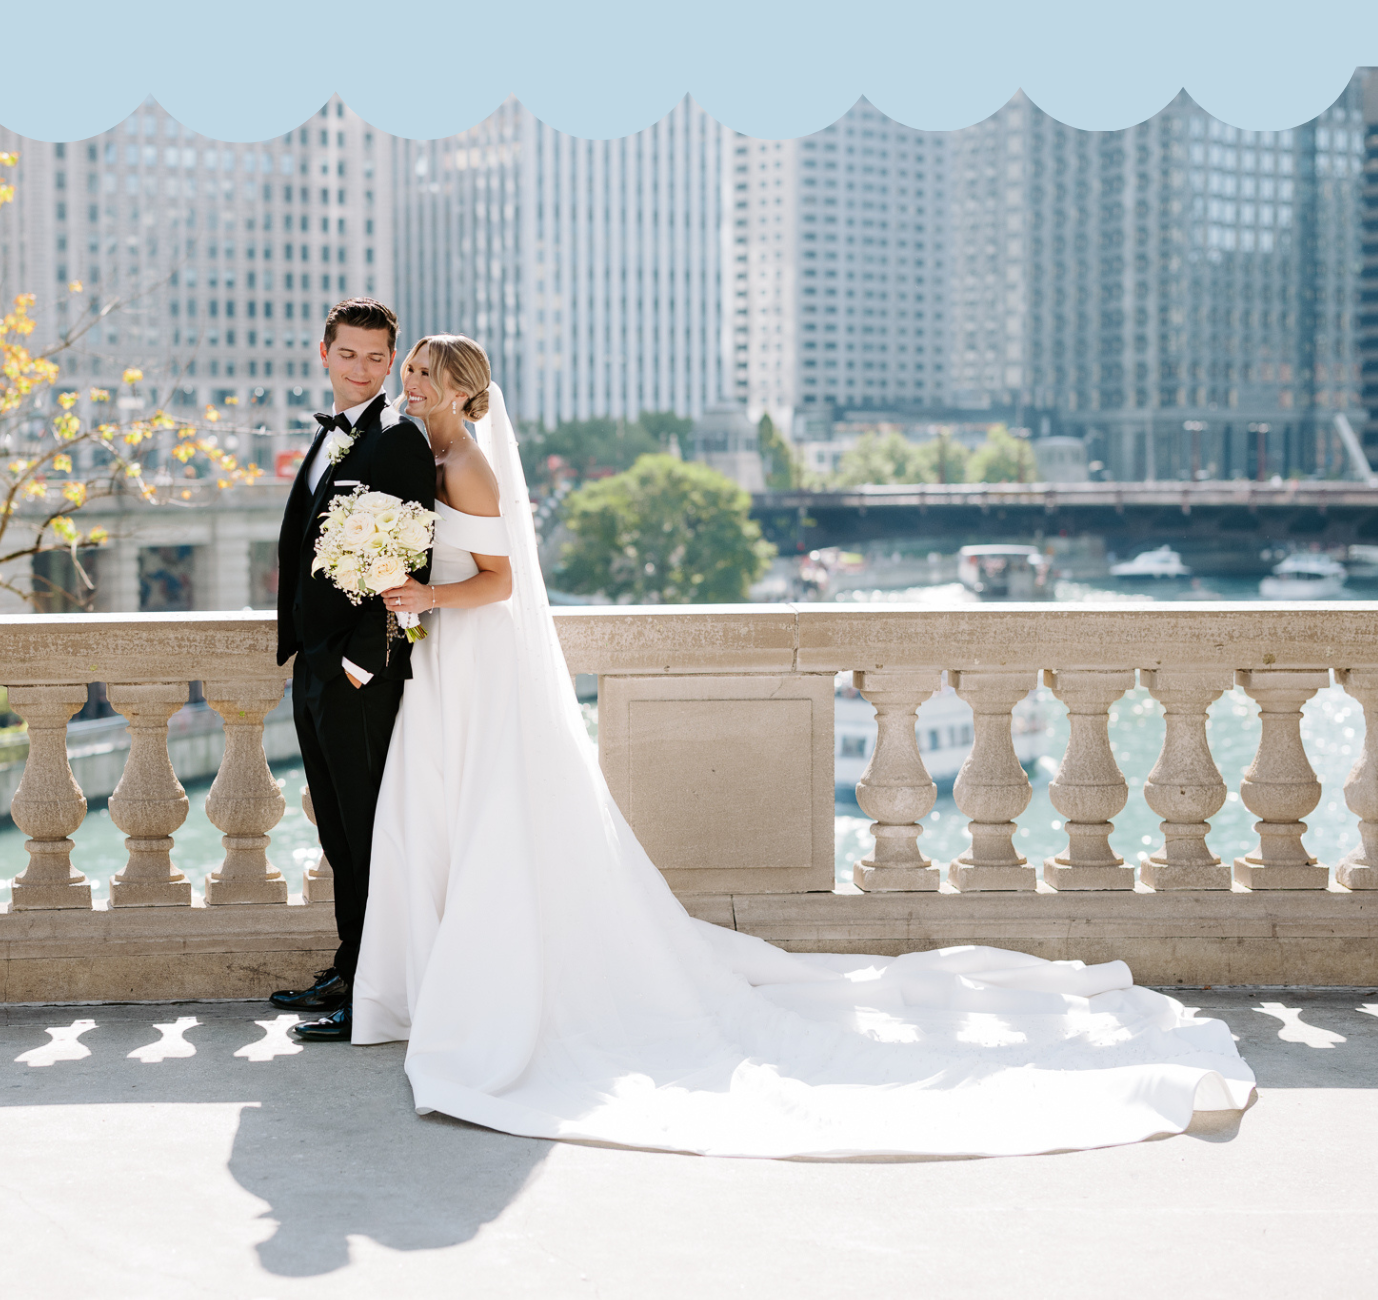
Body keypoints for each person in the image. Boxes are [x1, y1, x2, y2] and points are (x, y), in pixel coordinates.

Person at [338, 334, 1255, 1158]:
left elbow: (497, 585)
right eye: (408, 370)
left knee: (489, 811)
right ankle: (429, 984)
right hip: (445, 665)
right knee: (437, 807)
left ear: (462, 388)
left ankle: (484, 997)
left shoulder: (472, 472)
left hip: (477, 658)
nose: (409, 382)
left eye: (423, 371)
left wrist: (422, 599)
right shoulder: (432, 454)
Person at [269, 299, 436, 1043]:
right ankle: (349, 964)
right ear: (325, 353)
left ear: (391, 362)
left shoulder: (398, 440)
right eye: (349, 355)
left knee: (368, 835)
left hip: (357, 678)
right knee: (337, 833)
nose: (362, 369)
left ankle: (373, 995)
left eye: (377, 358)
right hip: (312, 669)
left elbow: (411, 562)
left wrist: (362, 666)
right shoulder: (328, 439)